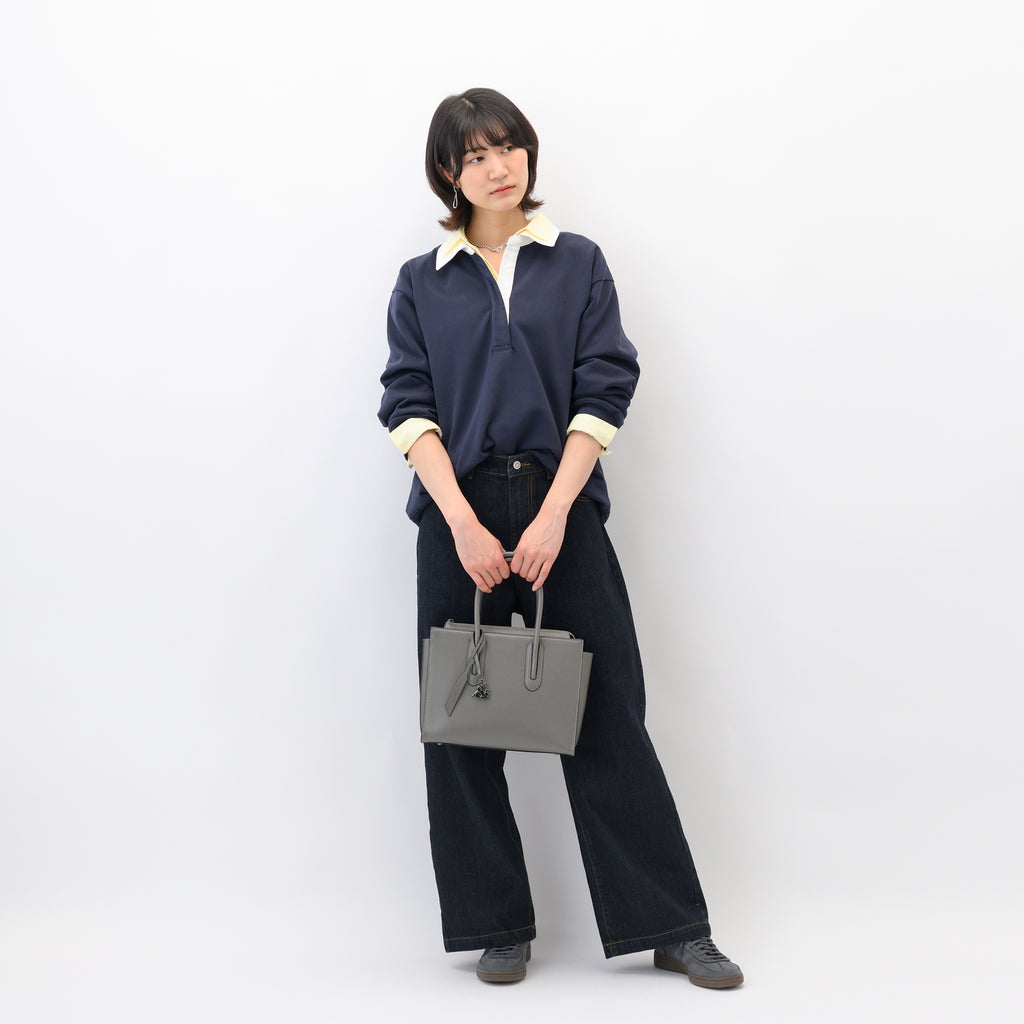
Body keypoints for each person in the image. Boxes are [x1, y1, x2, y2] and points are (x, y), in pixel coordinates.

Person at [378, 87, 742, 988]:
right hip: (457, 516)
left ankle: (671, 926)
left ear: (528, 153)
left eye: (508, 146)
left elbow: (605, 384)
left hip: (559, 504)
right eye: (474, 156)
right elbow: (407, 403)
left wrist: (552, 516)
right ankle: (497, 925)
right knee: (461, 725)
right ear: (447, 173)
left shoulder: (576, 262)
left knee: (608, 712)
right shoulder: (422, 281)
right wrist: (462, 522)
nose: (497, 166)